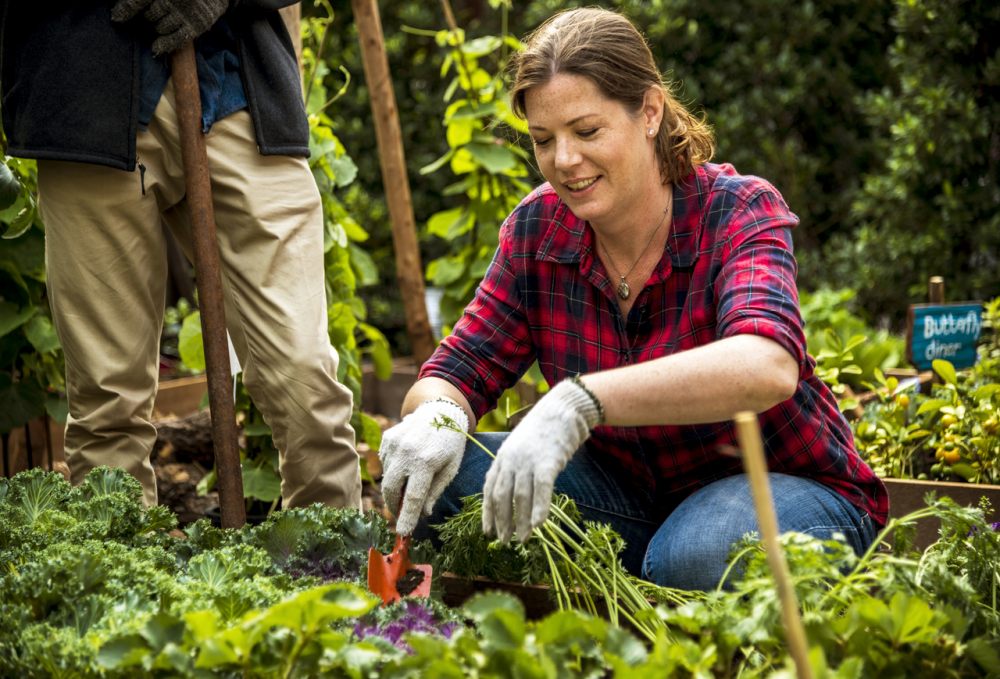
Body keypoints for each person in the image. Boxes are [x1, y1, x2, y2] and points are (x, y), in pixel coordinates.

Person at [378, 7, 887, 591]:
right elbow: (456, 369)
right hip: (625, 500)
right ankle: (633, 575)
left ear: (648, 112)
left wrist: (580, 402)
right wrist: (438, 415)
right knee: (452, 473)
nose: (564, 160)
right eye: (544, 140)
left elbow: (766, 364)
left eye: (587, 131)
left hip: (782, 486)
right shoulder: (538, 231)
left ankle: (665, 571)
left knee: (696, 552)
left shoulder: (736, 209)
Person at [0, 1, 362, 510]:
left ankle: (333, 577)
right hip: (86, 96)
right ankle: (120, 580)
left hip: (240, 89)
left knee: (306, 381)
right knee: (108, 405)